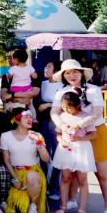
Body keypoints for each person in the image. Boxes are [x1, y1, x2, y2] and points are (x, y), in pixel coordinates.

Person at [50, 59, 107, 213]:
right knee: (71, 171)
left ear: (81, 73)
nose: (72, 75)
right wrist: (62, 126)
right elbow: (54, 112)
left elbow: (97, 113)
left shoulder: (93, 89)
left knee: (102, 173)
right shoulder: (61, 92)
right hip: (70, 133)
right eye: (68, 73)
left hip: (95, 132)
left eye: (75, 72)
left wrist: (78, 125)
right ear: (63, 76)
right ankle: (71, 201)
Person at [52, 92, 97, 213]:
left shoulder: (85, 117)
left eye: (69, 107)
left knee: (82, 179)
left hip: (81, 148)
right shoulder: (62, 117)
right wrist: (61, 141)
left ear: (77, 105)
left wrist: (79, 138)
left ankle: (82, 210)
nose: (66, 109)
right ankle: (63, 206)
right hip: (66, 148)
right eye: (64, 107)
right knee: (65, 177)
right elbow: (58, 134)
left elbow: (93, 134)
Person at [1, 109, 49, 213]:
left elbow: (46, 159)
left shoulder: (36, 135)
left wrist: (39, 143)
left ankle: (33, 205)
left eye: (30, 117)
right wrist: (15, 179)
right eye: (26, 117)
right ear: (17, 121)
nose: (29, 119)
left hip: (33, 172)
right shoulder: (6, 136)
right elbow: (6, 160)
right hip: (16, 173)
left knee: (31, 176)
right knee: (19, 206)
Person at [36, 60, 63, 200]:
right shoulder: (43, 83)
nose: (46, 68)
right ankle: (45, 184)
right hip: (43, 120)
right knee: (43, 150)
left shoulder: (62, 86)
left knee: (57, 152)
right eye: (46, 66)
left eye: (49, 67)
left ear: (56, 71)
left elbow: (64, 103)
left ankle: (55, 187)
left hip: (56, 120)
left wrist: (48, 105)